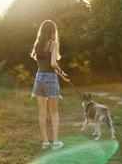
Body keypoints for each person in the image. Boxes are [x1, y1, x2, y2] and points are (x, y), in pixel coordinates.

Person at [30, 19, 69, 150]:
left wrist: (62, 75)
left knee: (42, 113)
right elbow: (52, 64)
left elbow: (44, 66)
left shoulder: (38, 45)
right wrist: (62, 72)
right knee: (54, 113)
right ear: (53, 31)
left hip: (39, 78)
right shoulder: (54, 44)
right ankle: (56, 143)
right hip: (51, 78)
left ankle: (45, 142)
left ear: (42, 30)